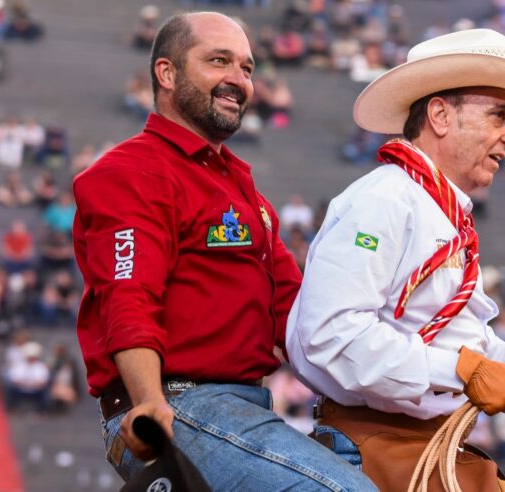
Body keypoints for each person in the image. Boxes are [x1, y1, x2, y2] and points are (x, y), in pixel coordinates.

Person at [286, 29, 505, 491]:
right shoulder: (384, 201)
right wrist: (463, 371)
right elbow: (331, 334)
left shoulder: (440, 214)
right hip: (377, 450)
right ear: (439, 114)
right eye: (500, 116)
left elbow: (464, 347)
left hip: (426, 447)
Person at [72, 12, 376, 491]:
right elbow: (128, 295)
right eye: (219, 61)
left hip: (244, 410)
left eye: (247, 68)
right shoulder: (132, 172)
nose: (238, 79)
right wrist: (149, 401)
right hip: (178, 408)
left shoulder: (240, 184)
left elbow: (298, 314)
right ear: (166, 74)